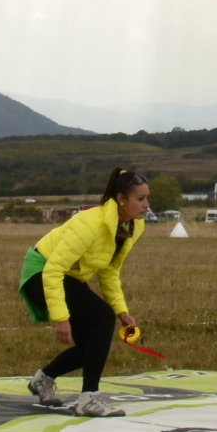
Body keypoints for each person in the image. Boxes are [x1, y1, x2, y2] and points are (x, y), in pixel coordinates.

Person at [19, 168, 150, 418]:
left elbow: (110, 270)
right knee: (102, 318)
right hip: (41, 271)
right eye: (140, 199)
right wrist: (60, 318)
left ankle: (43, 380)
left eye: (147, 198)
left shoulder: (134, 227)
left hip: (67, 276)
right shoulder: (89, 224)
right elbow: (53, 270)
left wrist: (122, 310)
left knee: (92, 344)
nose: (147, 205)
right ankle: (89, 398)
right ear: (122, 199)